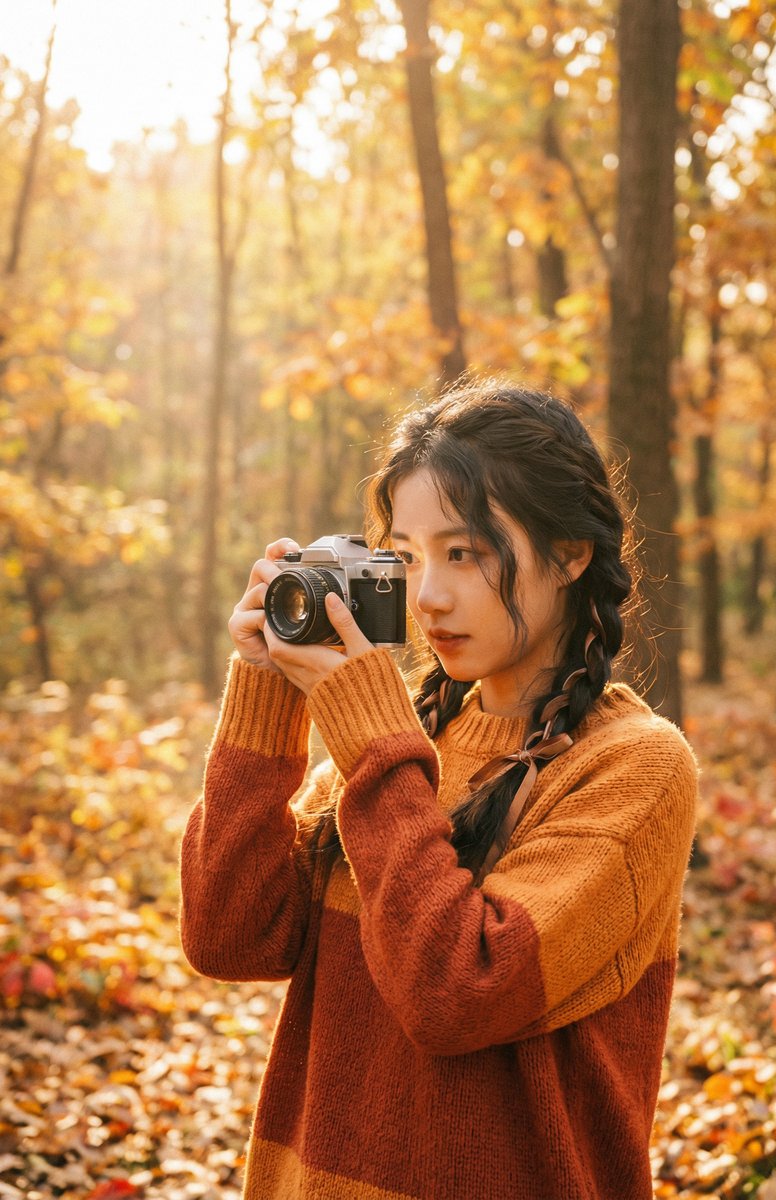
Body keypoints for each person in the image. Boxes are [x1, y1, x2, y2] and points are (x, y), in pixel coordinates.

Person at [179, 381, 698, 1200]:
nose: (428, 598)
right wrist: (265, 688)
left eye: (466, 552)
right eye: (410, 557)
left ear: (570, 553)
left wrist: (373, 741)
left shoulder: (634, 767)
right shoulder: (409, 742)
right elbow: (229, 937)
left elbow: (458, 992)